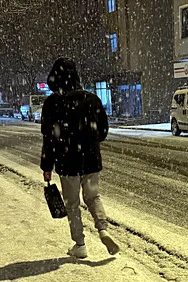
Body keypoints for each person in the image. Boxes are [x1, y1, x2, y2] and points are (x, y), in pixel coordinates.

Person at [40, 58, 119, 258]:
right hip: (91, 160)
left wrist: (47, 166)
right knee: (93, 197)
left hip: (67, 163)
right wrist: (89, 143)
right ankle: (103, 229)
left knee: (72, 204)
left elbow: (48, 139)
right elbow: (102, 131)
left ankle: (80, 244)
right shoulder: (92, 99)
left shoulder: (52, 104)